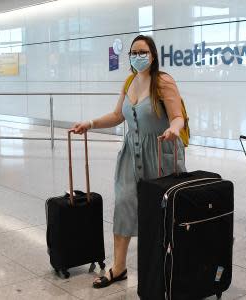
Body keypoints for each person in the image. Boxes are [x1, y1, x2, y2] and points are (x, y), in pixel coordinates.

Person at [70, 35, 186, 288]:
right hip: (130, 153)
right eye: (133, 52)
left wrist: (174, 129)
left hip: (159, 151)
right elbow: (116, 115)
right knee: (123, 203)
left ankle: (169, 264)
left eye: (143, 52)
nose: (137, 56)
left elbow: (178, 117)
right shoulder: (130, 81)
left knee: (162, 211)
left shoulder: (163, 81)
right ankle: (119, 267)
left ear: (153, 55)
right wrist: (90, 123)